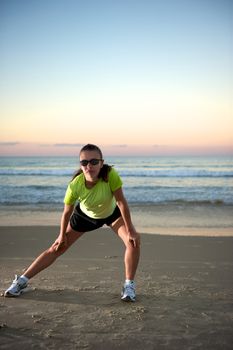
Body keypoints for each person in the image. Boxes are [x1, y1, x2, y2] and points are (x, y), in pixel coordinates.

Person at [4, 144, 140, 302]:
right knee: (57, 247)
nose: (89, 166)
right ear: (80, 165)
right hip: (85, 217)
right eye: (84, 162)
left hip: (111, 215)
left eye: (94, 161)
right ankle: (21, 281)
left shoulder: (110, 175)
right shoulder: (75, 185)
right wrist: (61, 235)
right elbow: (66, 212)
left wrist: (131, 229)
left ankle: (129, 286)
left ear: (102, 163)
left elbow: (121, 202)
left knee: (133, 241)